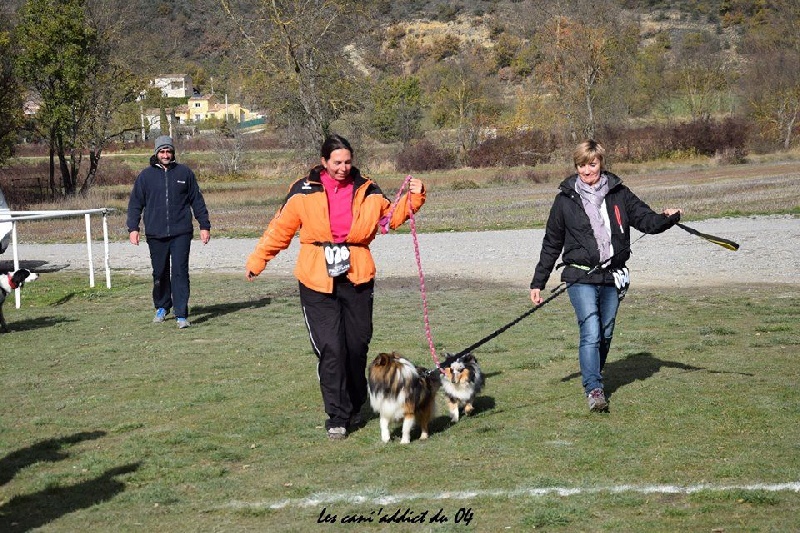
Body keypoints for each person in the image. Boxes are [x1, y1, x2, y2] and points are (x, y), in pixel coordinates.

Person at [245, 134, 426, 440]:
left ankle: (355, 403)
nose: (343, 167)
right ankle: (337, 415)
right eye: (337, 162)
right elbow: (280, 228)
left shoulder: (368, 189)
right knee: (332, 348)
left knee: (356, 347)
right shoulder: (302, 191)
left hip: (357, 275)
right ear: (324, 162)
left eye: (347, 161)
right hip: (317, 278)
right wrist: (258, 260)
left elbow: (391, 218)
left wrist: (415, 197)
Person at [529, 140, 682, 412]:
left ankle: (593, 374)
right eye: (581, 166)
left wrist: (666, 218)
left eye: (592, 164)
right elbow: (552, 242)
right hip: (579, 276)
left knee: (605, 332)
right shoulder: (564, 200)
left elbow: (645, 220)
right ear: (575, 166)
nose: (587, 171)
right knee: (590, 330)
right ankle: (594, 388)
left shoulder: (619, 193)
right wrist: (538, 282)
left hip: (612, 276)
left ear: (601, 162)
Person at [127, 135, 211, 329]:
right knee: (160, 272)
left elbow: (197, 201)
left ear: (173, 153)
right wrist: (133, 228)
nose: (165, 155)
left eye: (168, 151)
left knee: (180, 272)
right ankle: (162, 306)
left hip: (181, 231)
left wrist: (204, 225)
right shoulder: (145, 176)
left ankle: (181, 313)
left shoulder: (185, 173)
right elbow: (135, 204)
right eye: (162, 151)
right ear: (156, 153)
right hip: (156, 233)